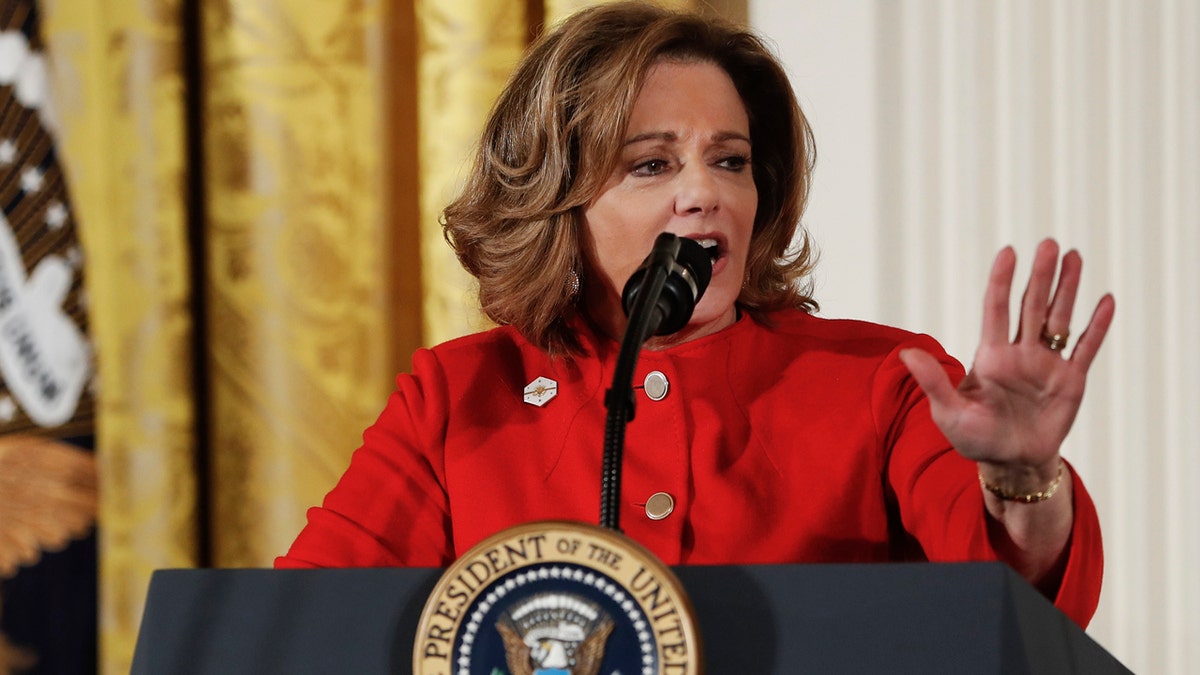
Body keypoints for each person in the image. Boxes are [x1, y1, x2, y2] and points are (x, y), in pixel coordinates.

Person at [276, 2, 1115, 629]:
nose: (704, 192)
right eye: (651, 163)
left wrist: (1018, 479)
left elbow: (1022, 606)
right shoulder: (457, 398)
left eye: (731, 160)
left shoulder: (881, 381)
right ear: (555, 200)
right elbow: (301, 629)